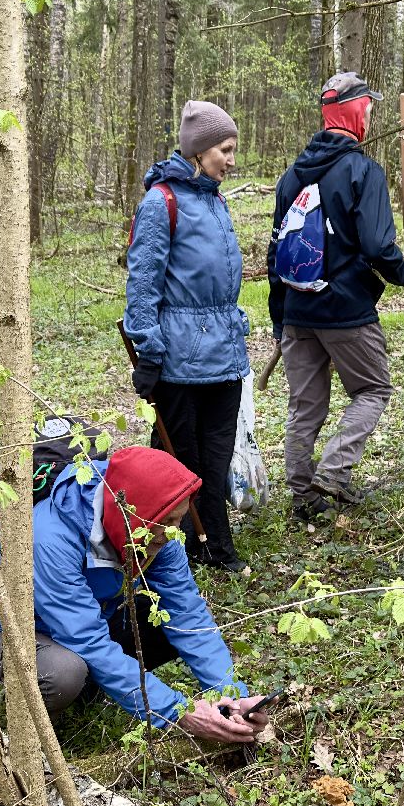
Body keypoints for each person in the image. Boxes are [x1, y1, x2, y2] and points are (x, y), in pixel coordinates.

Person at [0, 446, 270, 744]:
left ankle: (94, 684)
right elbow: (88, 640)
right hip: (7, 627)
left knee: (163, 619)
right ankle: (30, 716)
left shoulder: (157, 523)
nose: (173, 534)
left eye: (179, 521)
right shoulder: (50, 539)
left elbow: (187, 613)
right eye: (167, 523)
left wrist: (231, 697)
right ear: (132, 512)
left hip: (85, 614)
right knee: (64, 673)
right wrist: (178, 712)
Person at [268, 72, 404, 523]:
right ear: (356, 114)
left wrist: (281, 320)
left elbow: (276, 251)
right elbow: (377, 245)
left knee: (305, 406)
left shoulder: (290, 177)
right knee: (373, 388)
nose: (371, 117)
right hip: (346, 310)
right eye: (368, 110)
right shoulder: (363, 171)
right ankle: (331, 474)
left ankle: (301, 493)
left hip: (297, 309)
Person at [124, 100, 252, 575]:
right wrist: (149, 353)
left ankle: (213, 544)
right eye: (225, 149)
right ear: (199, 151)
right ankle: (159, 547)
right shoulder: (162, 202)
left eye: (233, 149)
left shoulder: (215, 200)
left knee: (216, 456)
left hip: (225, 352)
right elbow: (143, 284)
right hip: (179, 359)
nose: (231, 160)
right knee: (182, 458)